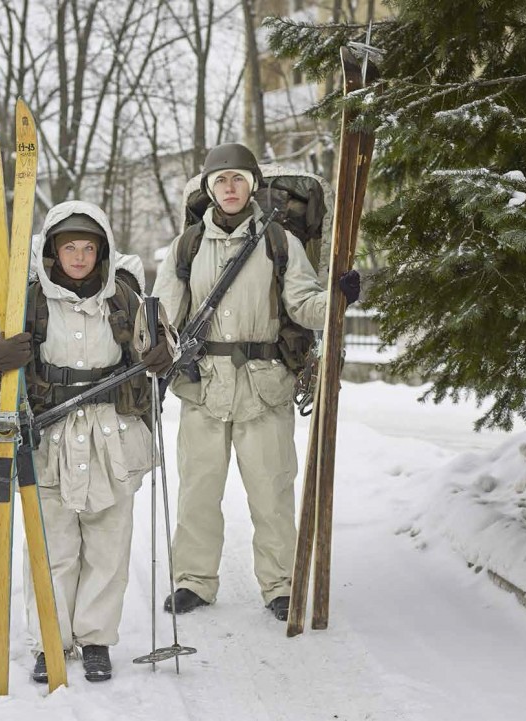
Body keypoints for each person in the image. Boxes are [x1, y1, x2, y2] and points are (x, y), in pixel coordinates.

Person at [0, 200, 174, 683]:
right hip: (47, 438)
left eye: (88, 248)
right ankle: (50, 642)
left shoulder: (124, 297)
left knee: (107, 547)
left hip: (113, 437)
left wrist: (165, 352)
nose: (79, 257)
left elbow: (161, 346)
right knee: (52, 547)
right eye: (69, 248)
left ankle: (96, 639)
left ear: (101, 252)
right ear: (53, 253)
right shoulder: (25, 298)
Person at [151, 142, 360, 622]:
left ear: (252, 186)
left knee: (272, 491)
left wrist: (336, 299)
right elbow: (163, 312)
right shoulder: (187, 248)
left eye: (238, 179)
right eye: (220, 180)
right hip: (203, 385)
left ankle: (280, 584)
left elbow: (304, 304)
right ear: (209, 189)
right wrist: (154, 345)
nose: (229, 187)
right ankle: (193, 580)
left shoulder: (279, 242)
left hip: (265, 387)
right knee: (198, 491)